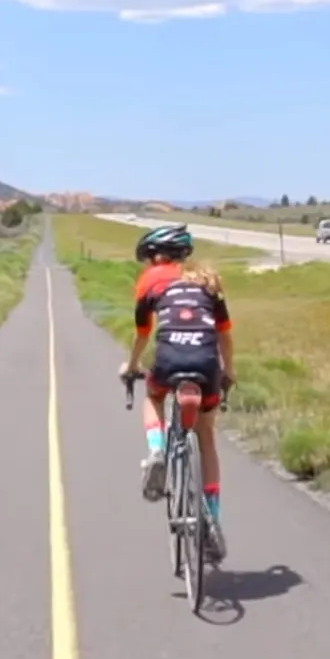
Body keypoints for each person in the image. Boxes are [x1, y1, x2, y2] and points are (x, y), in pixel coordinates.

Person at [119, 223, 234, 560]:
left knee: (154, 397)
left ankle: (156, 451)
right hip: (207, 364)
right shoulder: (204, 281)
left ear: (152, 258)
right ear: (183, 255)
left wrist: (131, 366)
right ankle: (212, 513)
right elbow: (225, 335)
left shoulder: (150, 282)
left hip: (168, 361)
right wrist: (230, 372)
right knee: (207, 438)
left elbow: (143, 334)